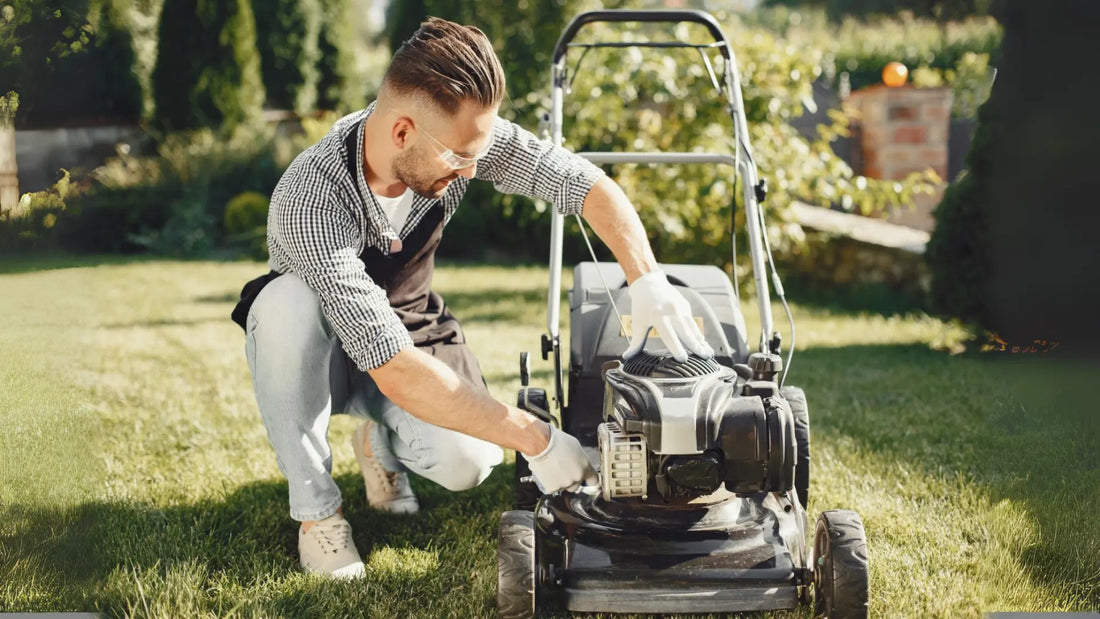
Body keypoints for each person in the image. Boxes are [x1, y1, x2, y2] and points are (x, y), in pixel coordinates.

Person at [232, 16, 712, 579]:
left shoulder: (461, 139)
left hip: (410, 325)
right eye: (459, 157)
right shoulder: (310, 197)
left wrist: (646, 279)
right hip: (327, 352)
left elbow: (585, 184)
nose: (473, 168)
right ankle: (319, 515)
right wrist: (538, 439)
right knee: (284, 305)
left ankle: (378, 440)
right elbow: (393, 367)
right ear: (403, 133)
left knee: (469, 462)